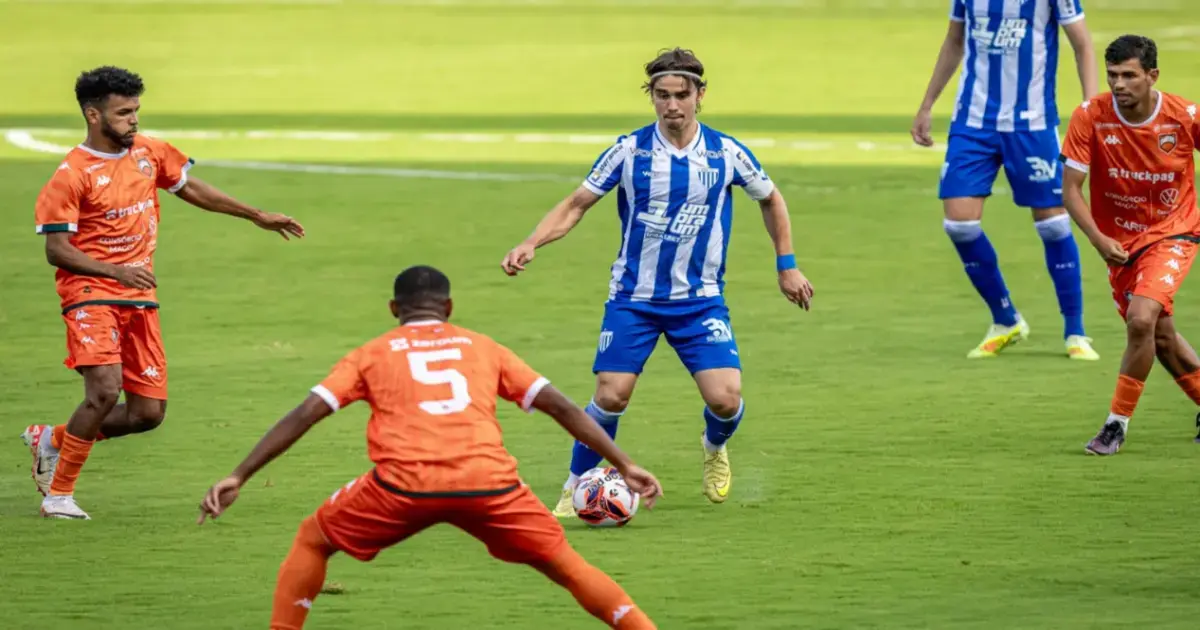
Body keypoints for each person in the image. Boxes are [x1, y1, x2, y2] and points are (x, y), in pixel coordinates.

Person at [197, 266, 662, 630]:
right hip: (491, 486)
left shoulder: (371, 354)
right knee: (569, 568)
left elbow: (306, 414)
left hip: (402, 488)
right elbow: (561, 406)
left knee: (312, 540)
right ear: (449, 307)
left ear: (393, 308)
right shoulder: (484, 348)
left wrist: (239, 474)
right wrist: (624, 463)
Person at [499, 47, 813, 516]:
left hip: (700, 301)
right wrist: (532, 242)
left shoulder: (725, 153)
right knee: (611, 394)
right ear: (652, 97)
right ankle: (576, 484)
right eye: (662, 95)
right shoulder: (630, 151)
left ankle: (713, 446)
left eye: (681, 95)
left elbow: (771, 199)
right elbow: (576, 204)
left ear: (700, 95)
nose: (672, 105)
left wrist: (786, 265)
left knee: (726, 401)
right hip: (634, 298)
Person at [22, 66, 305, 520]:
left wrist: (255, 214)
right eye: (123, 113)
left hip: (137, 295)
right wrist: (115, 270)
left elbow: (188, 186)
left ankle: (53, 439)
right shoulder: (71, 175)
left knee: (147, 414)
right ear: (93, 115)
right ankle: (58, 496)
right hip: (90, 291)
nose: (133, 120)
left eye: (135, 110)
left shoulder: (149, 152)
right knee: (104, 391)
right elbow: (57, 250)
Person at [911, 0, 1100, 359]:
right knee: (959, 224)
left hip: (1033, 123)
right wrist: (927, 105)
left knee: (1053, 223)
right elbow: (954, 40)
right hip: (973, 122)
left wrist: (1091, 110)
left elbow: (1083, 45)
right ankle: (1005, 319)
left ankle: (1076, 332)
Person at [1057, 35, 1200, 455]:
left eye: (1129, 75)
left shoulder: (1183, 116)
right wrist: (1098, 238)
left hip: (1173, 232)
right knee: (1160, 337)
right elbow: (1070, 189)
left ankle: (1114, 426)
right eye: (1113, 75)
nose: (1119, 84)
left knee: (1141, 320)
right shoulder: (1090, 116)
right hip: (1119, 243)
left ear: (1152, 76)